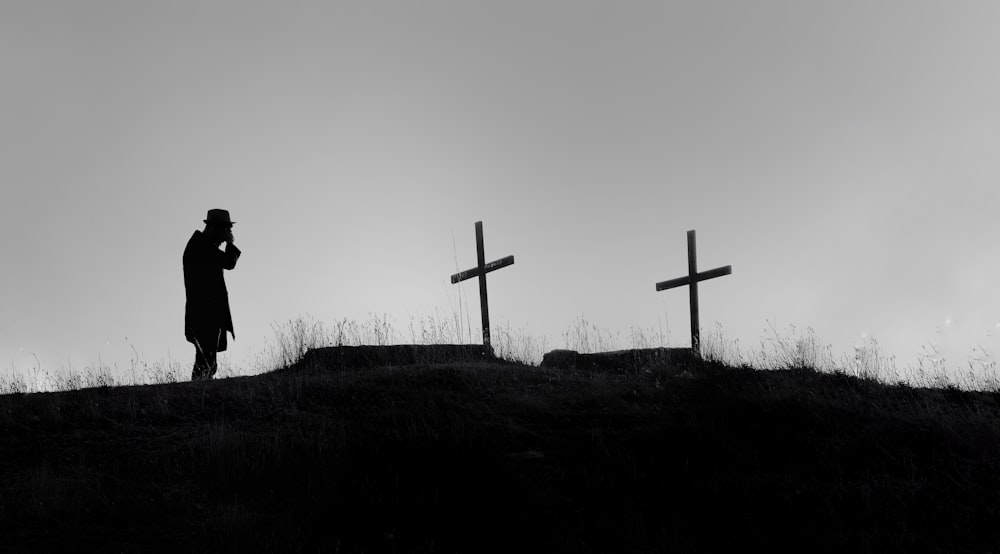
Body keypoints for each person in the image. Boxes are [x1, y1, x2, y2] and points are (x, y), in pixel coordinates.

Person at [183, 209, 241, 380]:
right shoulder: (201, 246)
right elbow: (229, 262)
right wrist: (231, 244)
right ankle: (198, 395)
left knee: (207, 361)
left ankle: (199, 392)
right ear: (215, 228)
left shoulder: (201, 245)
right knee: (206, 362)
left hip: (205, 312)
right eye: (225, 231)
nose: (225, 237)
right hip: (204, 313)